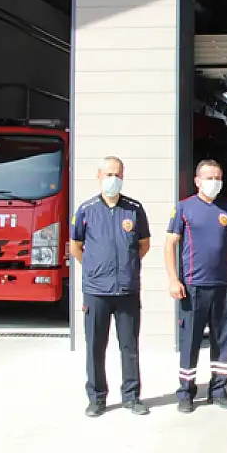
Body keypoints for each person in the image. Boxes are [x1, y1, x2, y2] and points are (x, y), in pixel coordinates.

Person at [165, 159, 227, 413]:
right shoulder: (184, 208)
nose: (215, 183)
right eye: (209, 178)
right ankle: (186, 392)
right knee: (190, 341)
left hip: (223, 286)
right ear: (197, 181)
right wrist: (173, 279)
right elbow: (170, 245)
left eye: (218, 178)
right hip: (192, 286)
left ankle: (219, 389)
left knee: (222, 340)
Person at [70, 156, 152, 417]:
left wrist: (126, 265)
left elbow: (144, 244)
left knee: (129, 345)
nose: (112, 179)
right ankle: (96, 397)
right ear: (99, 176)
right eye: (108, 174)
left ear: (123, 177)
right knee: (95, 345)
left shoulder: (134, 209)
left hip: (127, 289)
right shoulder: (86, 209)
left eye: (117, 174)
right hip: (96, 291)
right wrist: (96, 268)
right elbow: (75, 247)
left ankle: (131, 396)